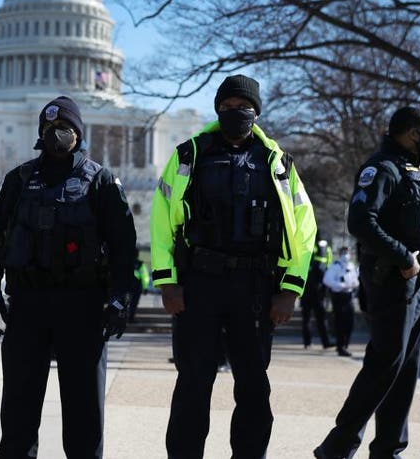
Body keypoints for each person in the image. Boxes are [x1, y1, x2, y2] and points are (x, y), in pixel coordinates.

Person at [151, 74, 317, 458]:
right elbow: (162, 222)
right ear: (217, 110)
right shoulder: (189, 155)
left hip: (256, 287)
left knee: (254, 386)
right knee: (193, 382)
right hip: (199, 285)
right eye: (226, 107)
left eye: (242, 107)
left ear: (256, 112)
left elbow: (303, 229)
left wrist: (290, 289)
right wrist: (167, 283)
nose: (234, 113)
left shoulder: (278, 164)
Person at [0, 95, 138, 458]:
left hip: (83, 308)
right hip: (27, 307)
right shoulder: (18, 180)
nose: (56, 134)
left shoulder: (100, 182)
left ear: (78, 134)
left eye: (64, 128)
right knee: (18, 415)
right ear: (39, 133)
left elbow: (123, 244)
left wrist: (118, 297)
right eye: (49, 128)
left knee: (84, 419)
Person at [315, 106, 420, 459]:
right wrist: (404, 257)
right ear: (413, 133)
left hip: (419, 285)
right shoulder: (382, 169)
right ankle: (337, 446)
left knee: (405, 370)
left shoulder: (412, 171)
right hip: (393, 281)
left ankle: (389, 448)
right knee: (384, 365)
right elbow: (361, 221)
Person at [322, 245, 360, 357]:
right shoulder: (335, 266)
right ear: (340, 254)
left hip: (349, 296)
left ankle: (345, 344)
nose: (346, 255)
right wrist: (341, 285)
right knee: (340, 323)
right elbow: (327, 280)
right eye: (344, 252)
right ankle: (340, 346)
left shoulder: (351, 266)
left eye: (347, 252)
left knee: (350, 322)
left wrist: (352, 284)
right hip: (338, 297)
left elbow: (355, 280)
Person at [301, 239, 333, 350]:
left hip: (308, 291)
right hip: (318, 292)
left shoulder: (310, 247)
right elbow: (327, 268)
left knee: (308, 319)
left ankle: (308, 343)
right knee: (320, 319)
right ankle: (325, 342)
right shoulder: (326, 250)